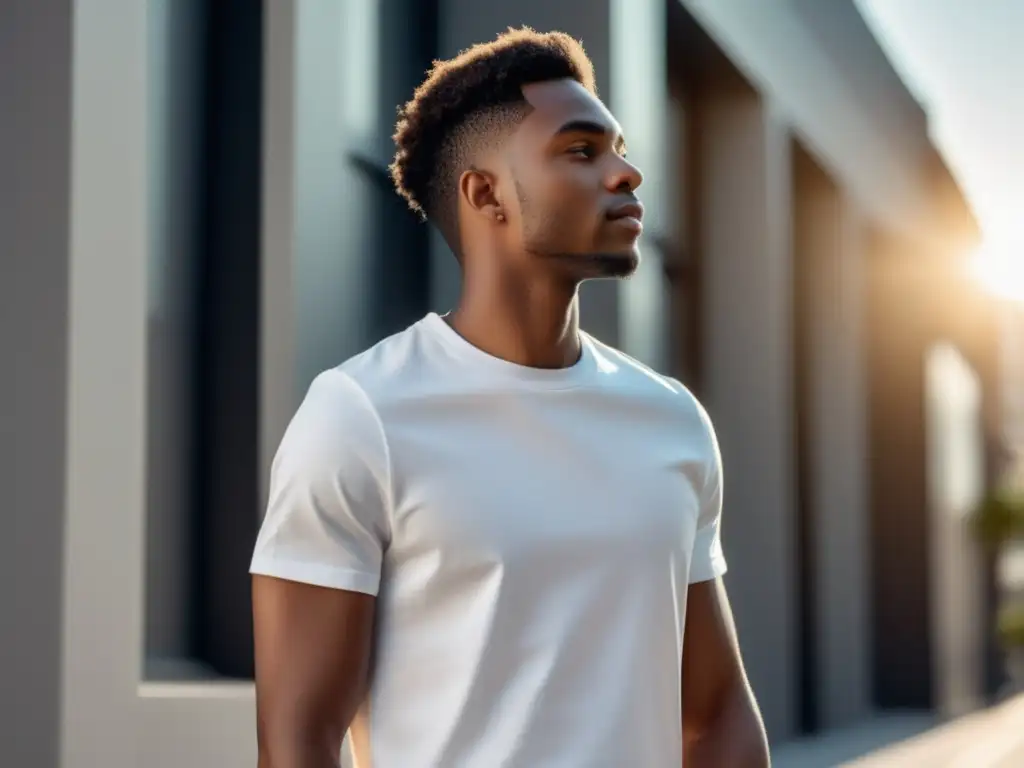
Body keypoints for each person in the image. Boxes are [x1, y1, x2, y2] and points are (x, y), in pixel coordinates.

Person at [250, 27, 769, 768]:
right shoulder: (360, 416)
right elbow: (298, 740)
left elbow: (715, 717)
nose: (626, 173)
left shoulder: (671, 421)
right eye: (582, 151)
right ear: (485, 192)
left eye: (620, 149)